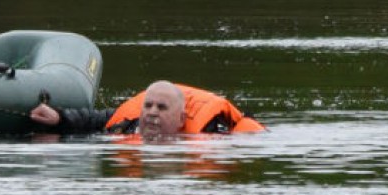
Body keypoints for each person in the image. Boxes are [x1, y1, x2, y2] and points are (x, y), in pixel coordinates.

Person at [30, 80, 265, 137]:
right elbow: (90, 119)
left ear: (182, 118)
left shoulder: (211, 134)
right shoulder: (129, 121)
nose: (152, 112)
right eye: (148, 105)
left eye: (162, 108)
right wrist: (59, 118)